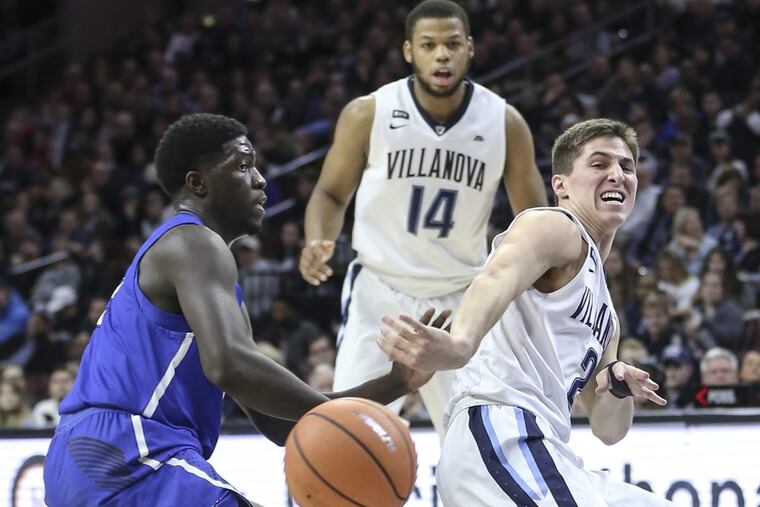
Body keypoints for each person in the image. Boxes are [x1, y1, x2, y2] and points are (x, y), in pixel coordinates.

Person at [42, 113, 435, 507]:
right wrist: (342, 418)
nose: (260, 179)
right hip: (131, 451)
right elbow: (229, 364)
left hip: (86, 457)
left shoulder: (209, 282)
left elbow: (279, 423)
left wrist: (397, 382)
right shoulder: (193, 241)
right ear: (198, 183)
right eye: (243, 165)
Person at [379, 119, 674, 506]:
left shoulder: (607, 313)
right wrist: (460, 343)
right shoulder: (556, 226)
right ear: (561, 185)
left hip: (547, 446)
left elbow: (608, 429)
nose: (617, 174)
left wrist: (617, 385)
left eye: (627, 166)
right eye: (600, 164)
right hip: (502, 431)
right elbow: (495, 276)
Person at [299, 0, 547, 434]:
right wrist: (317, 240)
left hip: (460, 300)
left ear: (470, 48)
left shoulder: (505, 123)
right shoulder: (368, 113)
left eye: (452, 44)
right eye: (429, 45)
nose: (442, 55)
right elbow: (330, 192)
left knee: (477, 442)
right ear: (409, 51)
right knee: (347, 436)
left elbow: (533, 223)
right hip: (380, 291)